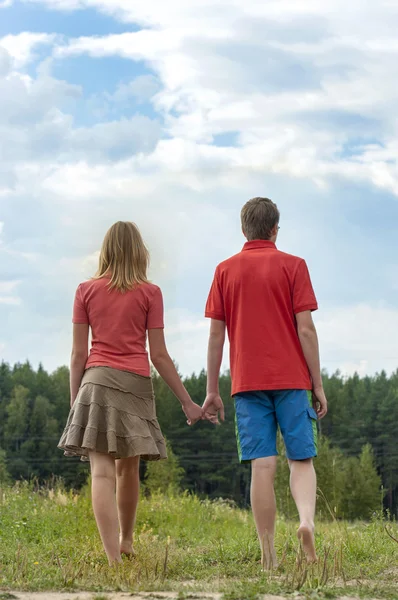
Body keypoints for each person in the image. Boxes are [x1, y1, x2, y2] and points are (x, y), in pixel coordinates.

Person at [58, 221, 203, 565]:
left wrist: (75, 399)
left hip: (95, 383)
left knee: (102, 474)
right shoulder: (150, 293)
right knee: (127, 471)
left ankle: (112, 558)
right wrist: (187, 402)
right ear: (140, 252)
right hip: (136, 386)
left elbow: (78, 354)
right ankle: (126, 541)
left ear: (106, 251)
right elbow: (160, 356)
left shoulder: (85, 290)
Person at [203, 197, 327, 569]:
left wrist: (212, 390)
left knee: (262, 467)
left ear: (243, 230)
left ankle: (268, 555)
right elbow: (306, 329)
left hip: (247, 383)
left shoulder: (225, 270)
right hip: (292, 379)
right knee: (300, 459)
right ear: (275, 229)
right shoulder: (294, 266)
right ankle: (305, 522)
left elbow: (215, 336)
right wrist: (317, 384)